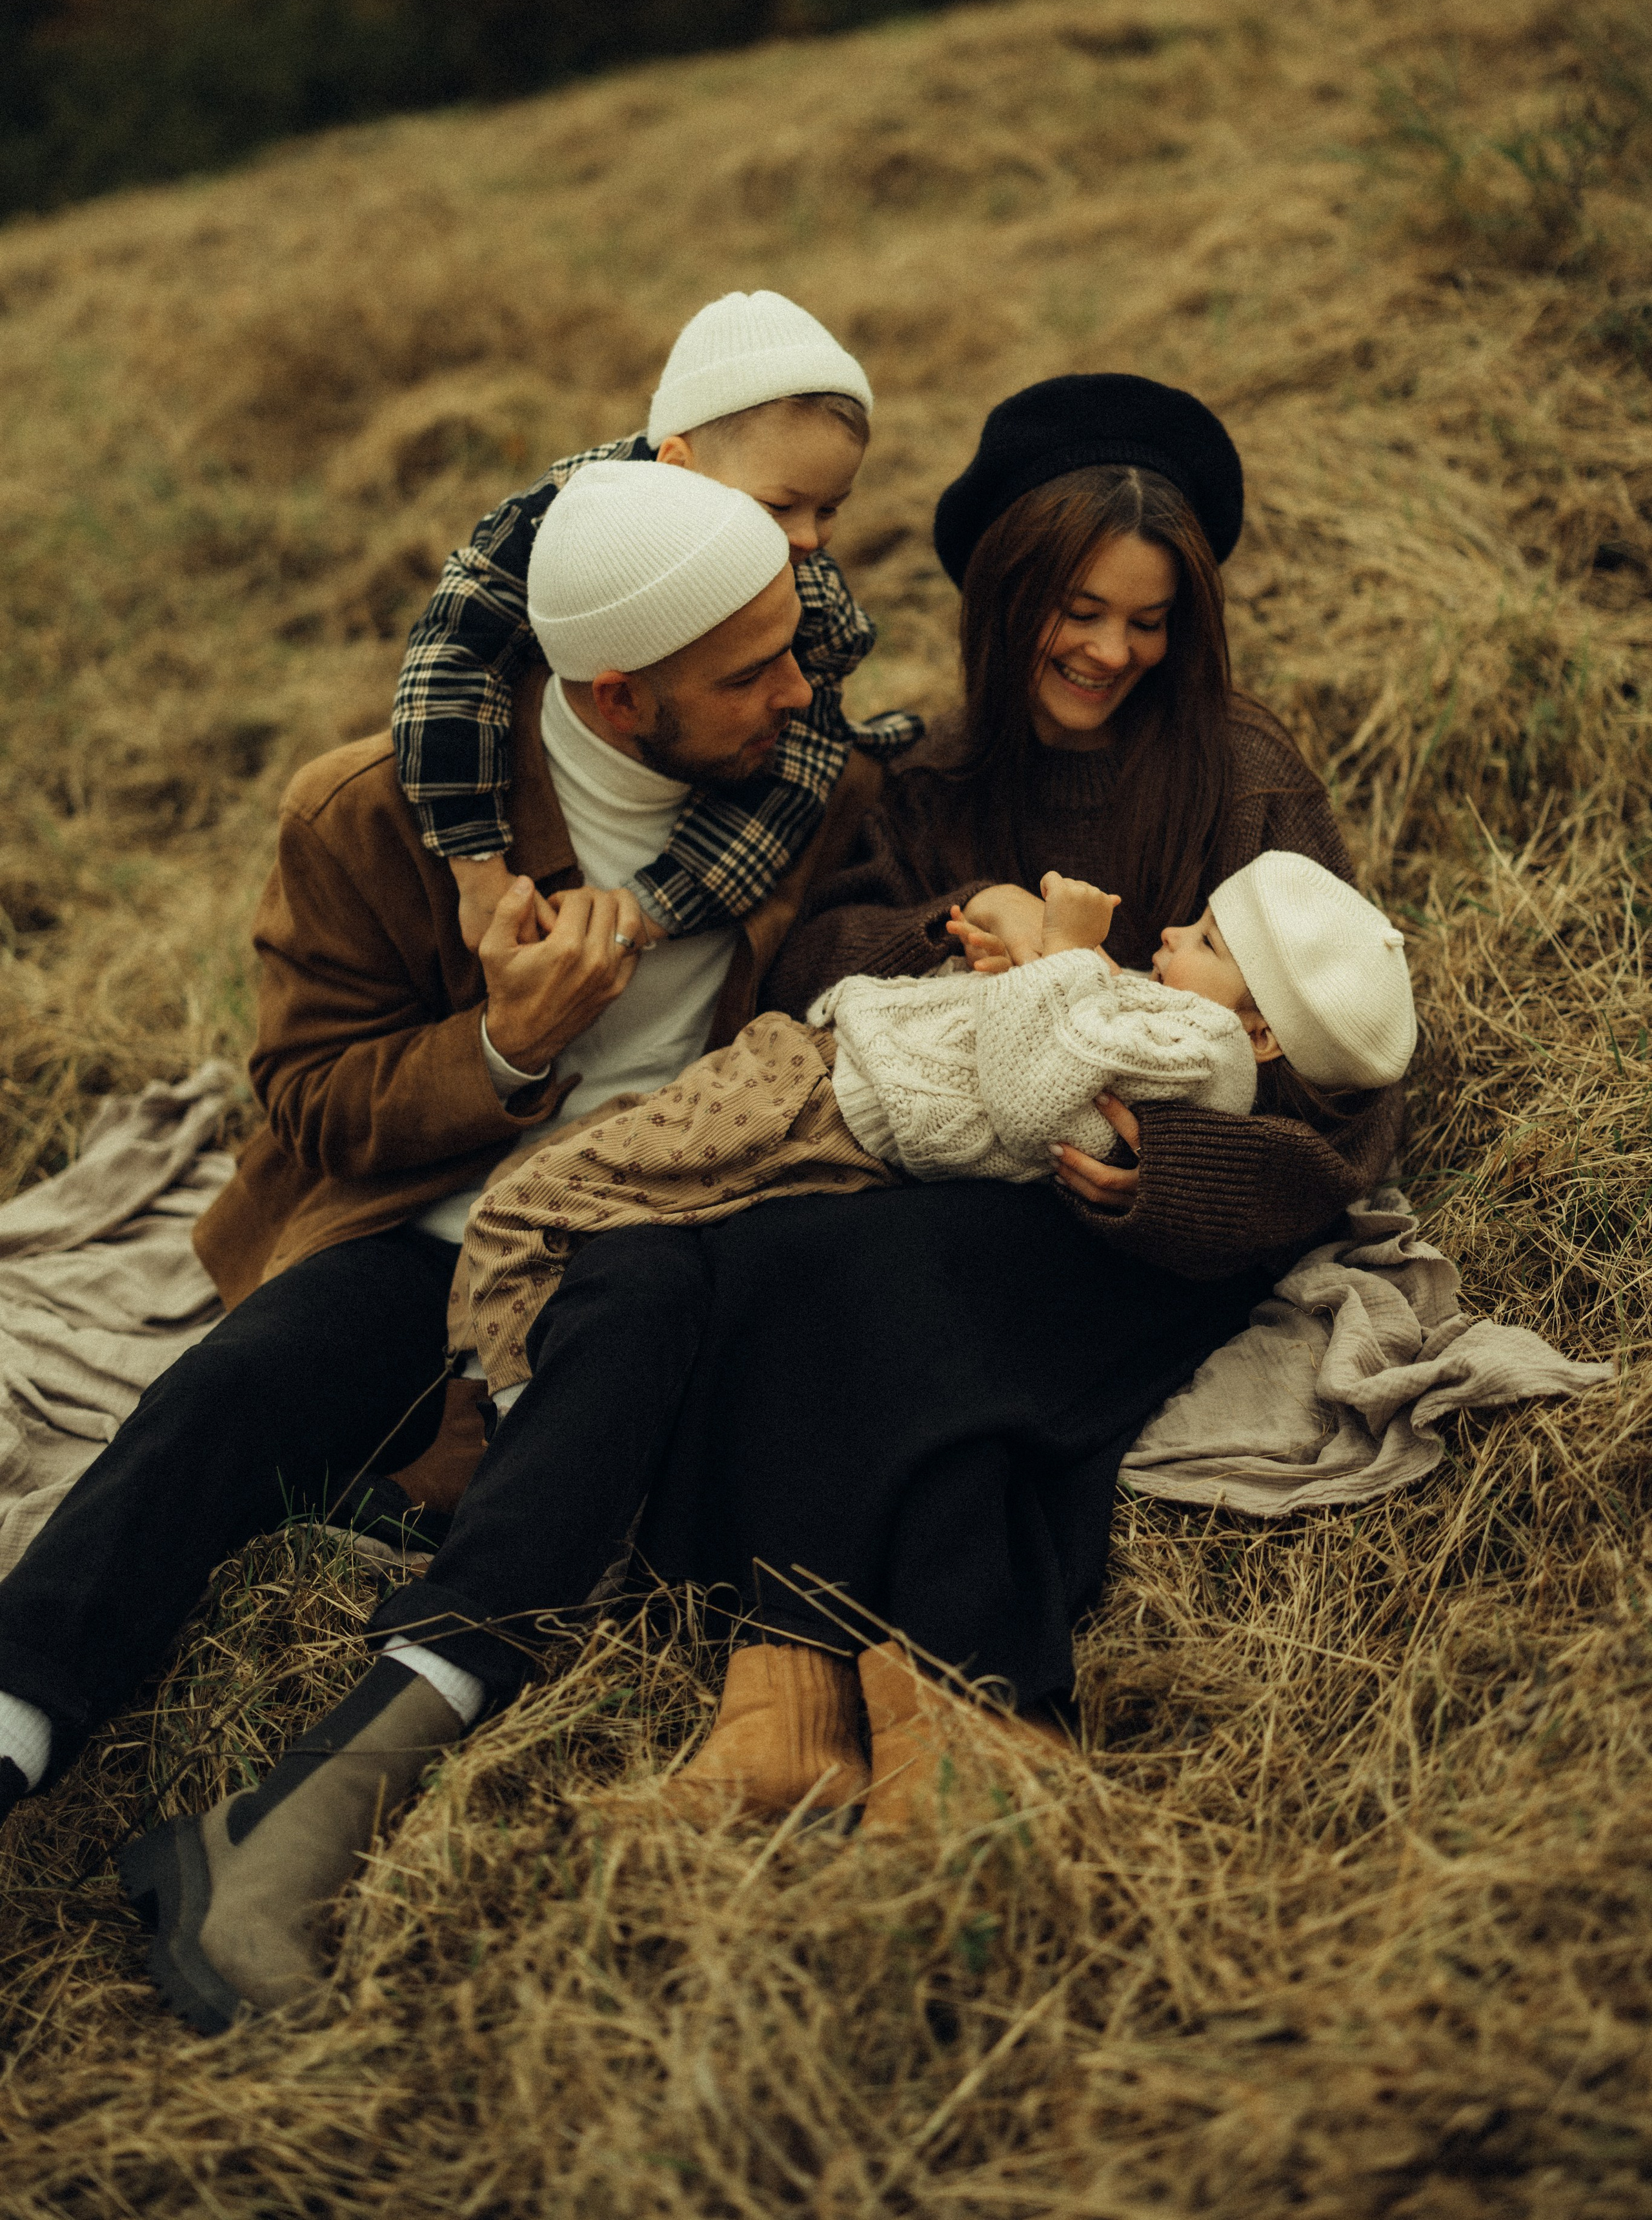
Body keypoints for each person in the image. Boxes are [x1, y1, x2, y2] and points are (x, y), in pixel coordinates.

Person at [116, 373, 1412, 2037]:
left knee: (890, 1297)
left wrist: (1175, 1169)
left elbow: (1344, 1096)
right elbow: (809, 960)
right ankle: (778, 1703)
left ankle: (942, 1706)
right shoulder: (925, 771)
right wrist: (970, 931)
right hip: (915, 1149)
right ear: (1006, 597)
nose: (1106, 651)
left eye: (1148, 623)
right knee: (759, 1261)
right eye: (1075, 611)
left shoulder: (1240, 777)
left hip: (1122, 1216)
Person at [0, 458, 883, 1833]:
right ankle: (18, 1718)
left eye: (793, 654)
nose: (797, 695)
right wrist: (506, 1051)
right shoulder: (368, 815)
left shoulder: (805, 795)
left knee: (610, 1389)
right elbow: (308, 1092)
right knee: (230, 1394)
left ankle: (345, 1762)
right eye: (752, 674)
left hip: (647, 1232)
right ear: (615, 699)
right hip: (422, 1221)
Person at [457, 851, 1417, 1403]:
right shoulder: (1177, 1014)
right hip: (821, 1071)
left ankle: (512, 1414)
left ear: (1262, 1032)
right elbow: (1049, 1028)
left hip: (824, 1101)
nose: (1170, 936)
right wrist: (1020, 952)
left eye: (1206, 942)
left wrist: (1072, 954)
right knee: (599, 1173)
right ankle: (498, 1370)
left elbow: (1033, 1096)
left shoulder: (1207, 1055)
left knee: (535, 1201)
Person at [392, 287, 918, 953]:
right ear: (677, 465)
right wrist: (477, 870)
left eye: (830, 509)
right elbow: (448, 664)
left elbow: (793, 778)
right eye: (779, 507)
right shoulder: (551, 531)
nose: (809, 539)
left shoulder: (808, 593)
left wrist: (653, 907)